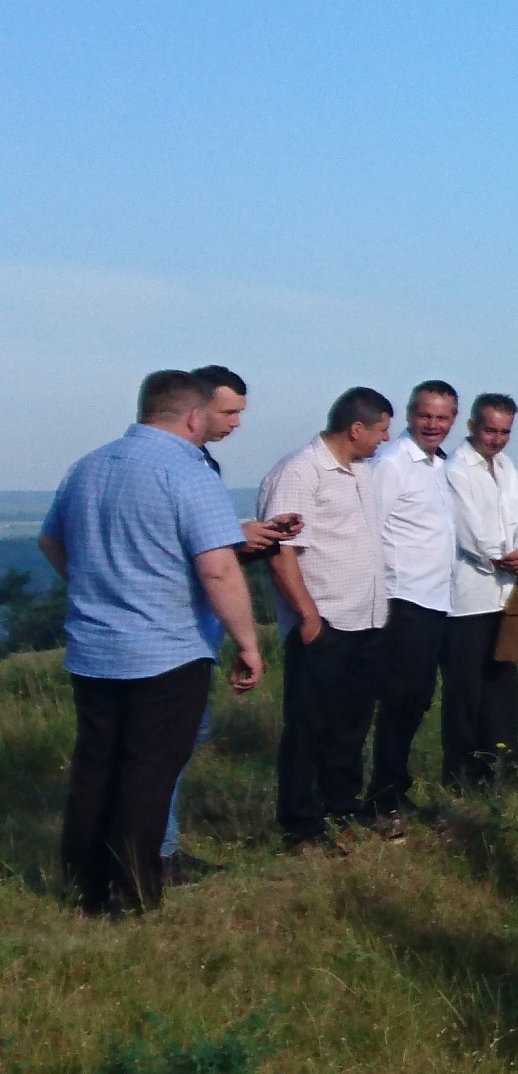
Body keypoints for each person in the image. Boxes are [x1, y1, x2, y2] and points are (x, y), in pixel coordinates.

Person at [37, 370, 269, 911]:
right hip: (166, 650)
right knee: (148, 772)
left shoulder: (89, 465)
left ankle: (85, 885)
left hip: (95, 647)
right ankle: (133, 891)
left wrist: (94, 585)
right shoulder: (188, 474)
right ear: (193, 416)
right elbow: (218, 569)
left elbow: (50, 540)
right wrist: (247, 642)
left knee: (96, 767)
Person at [162, 364, 289, 875]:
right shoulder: (187, 469)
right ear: (197, 410)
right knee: (168, 745)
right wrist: (235, 540)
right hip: (177, 633)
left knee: (172, 744)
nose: (237, 423)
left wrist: (248, 536)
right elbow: (205, 560)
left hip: (192, 631)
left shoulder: (200, 464)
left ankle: (150, 846)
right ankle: (157, 852)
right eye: (229, 412)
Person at [260, 388, 396, 849]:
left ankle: (341, 805)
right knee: (310, 725)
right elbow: (281, 552)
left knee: (351, 723)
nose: (386, 438)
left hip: (366, 616)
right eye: (381, 429)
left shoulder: (362, 471)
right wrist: (307, 615)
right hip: (325, 619)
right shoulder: (300, 471)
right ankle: (301, 823)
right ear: (356, 428)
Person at [365, 380, 464, 827]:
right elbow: (371, 529)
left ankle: (392, 787)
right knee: (401, 699)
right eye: (426, 415)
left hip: (436, 598)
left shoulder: (440, 465)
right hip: (403, 598)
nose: (433, 424)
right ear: (410, 414)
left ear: (453, 420)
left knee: (417, 698)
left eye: (442, 417)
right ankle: (382, 796)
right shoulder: (392, 463)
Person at [443, 392, 518, 791]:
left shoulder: (505, 466)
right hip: (467, 599)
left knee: (502, 689)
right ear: (472, 426)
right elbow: (472, 536)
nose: (498, 439)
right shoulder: (456, 469)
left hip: (505, 597)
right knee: (466, 693)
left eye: (505, 432)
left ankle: (503, 771)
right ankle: (462, 777)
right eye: (491, 430)